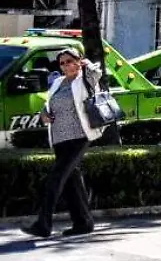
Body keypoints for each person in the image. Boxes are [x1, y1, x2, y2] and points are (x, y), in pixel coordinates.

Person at [22, 48, 107, 239]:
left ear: (78, 61)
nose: (66, 65)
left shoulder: (85, 80)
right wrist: (43, 114)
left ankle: (43, 224)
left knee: (55, 179)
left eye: (70, 61)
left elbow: (97, 72)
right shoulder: (58, 82)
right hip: (60, 138)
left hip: (78, 137)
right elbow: (48, 105)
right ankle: (83, 223)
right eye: (62, 63)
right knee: (71, 182)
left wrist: (88, 65)